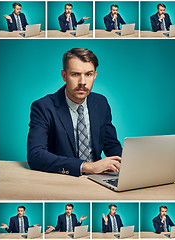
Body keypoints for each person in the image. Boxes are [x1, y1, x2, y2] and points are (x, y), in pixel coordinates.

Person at [27, 48, 122, 177]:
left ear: (95, 76)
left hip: (98, 178)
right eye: (75, 74)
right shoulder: (43, 107)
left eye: (88, 74)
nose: (82, 82)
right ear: (64, 76)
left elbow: (111, 145)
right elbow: (36, 156)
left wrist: (128, 164)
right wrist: (88, 166)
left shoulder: (101, 103)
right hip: (62, 179)